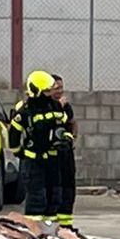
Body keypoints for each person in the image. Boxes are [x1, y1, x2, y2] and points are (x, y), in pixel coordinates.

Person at [9, 70, 68, 223]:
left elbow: (64, 125)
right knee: (36, 198)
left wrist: (65, 139)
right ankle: (33, 229)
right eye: (47, 91)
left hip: (53, 160)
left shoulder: (55, 106)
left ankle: (49, 229)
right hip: (33, 162)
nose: (51, 93)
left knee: (54, 197)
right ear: (37, 91)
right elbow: (13, 135)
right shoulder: (25, 111)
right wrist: (18, 152)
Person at [53, 74, 77, 228]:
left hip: (66, 153)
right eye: (56, 88)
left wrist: (73, 138)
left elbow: (73, 122)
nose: (60, 91)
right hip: (51, 156)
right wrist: (58, 107)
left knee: (68, 187)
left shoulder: (66, 106)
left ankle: (66, 225)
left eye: (61, 87)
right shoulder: (45, 107)